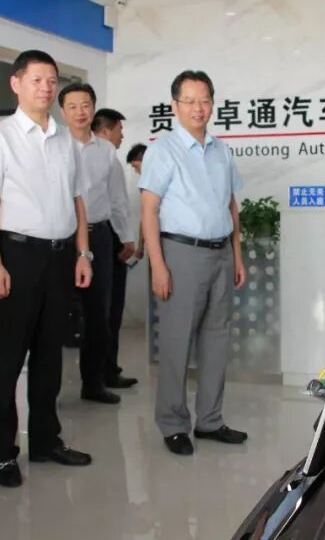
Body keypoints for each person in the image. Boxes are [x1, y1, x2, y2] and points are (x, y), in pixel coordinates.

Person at [0, 50, 93, 489]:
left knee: (50, 355)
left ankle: (45, 440)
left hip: (60, 257)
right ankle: (2, 453)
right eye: (37, 79)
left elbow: (77, 201)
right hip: (16, 256)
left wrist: (83, 253)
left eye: (52, 80)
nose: (46, 87)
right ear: (16, 84)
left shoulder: (65, 140)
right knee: (7, 357)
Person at [138, 70, 247, 456]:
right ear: (175, 105)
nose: (198, 108)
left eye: (205, 100)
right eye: (190, 101)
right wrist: (158, 266)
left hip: (220, 253)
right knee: (177, 340)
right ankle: (173, 424)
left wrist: (236, 255)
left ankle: (210, 420)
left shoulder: (221, 150)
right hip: (181, 254)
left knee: (217, 338)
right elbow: (149, 211)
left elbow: (230, 205)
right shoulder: (163, 151)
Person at [58, 86, 126, 404]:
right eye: (72, 106)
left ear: (93, 109)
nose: (80, 112)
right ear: (63, 112)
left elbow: (117, 196)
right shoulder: (54, 146)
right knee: (55, 313)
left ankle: (94, 382)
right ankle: (48, 390)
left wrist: (125, 235)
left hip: (98, 235)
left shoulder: (106, 151)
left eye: (85, 105)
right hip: (61, 236)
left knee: (99, 312)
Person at [91, 107, 138, 389]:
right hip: (108, 235)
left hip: (89, 235)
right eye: (120, 130)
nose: (122, 136)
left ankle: (100, 371)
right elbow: (118, 203)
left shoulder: (81, 153)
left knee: (97, 309)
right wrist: (127, 238)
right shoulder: (109, 158)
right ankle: (106, 371)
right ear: (106, 131)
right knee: (110, 307)